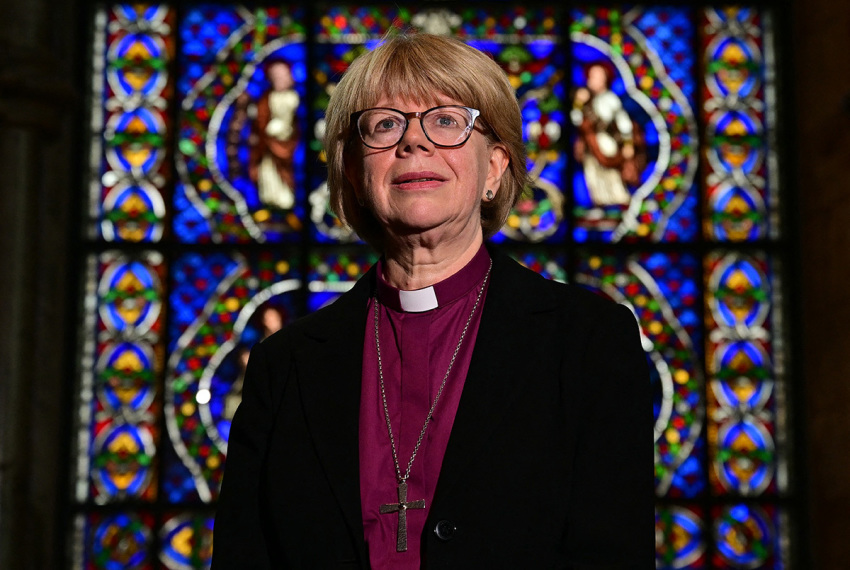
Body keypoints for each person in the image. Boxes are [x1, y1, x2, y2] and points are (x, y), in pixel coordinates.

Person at [213, 33, 653, 568]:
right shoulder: (284, 365)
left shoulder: (588, 341)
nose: (413, 143)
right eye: (385, 124)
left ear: (494, 168)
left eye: (446, 121)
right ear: (354, 170)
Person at [571, 61, 646, 208]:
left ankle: (619, 204)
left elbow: (623, 122)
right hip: (590, 147)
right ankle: (599, 205)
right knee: (594, 177)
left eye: (597, 76)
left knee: (611, 177)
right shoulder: (585, 99)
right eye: (591, 76)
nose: (593, 80)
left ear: (605, 78)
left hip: (607, 144)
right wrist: (578, 102)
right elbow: (575, 119)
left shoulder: (611, 98)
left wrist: (628, 144)